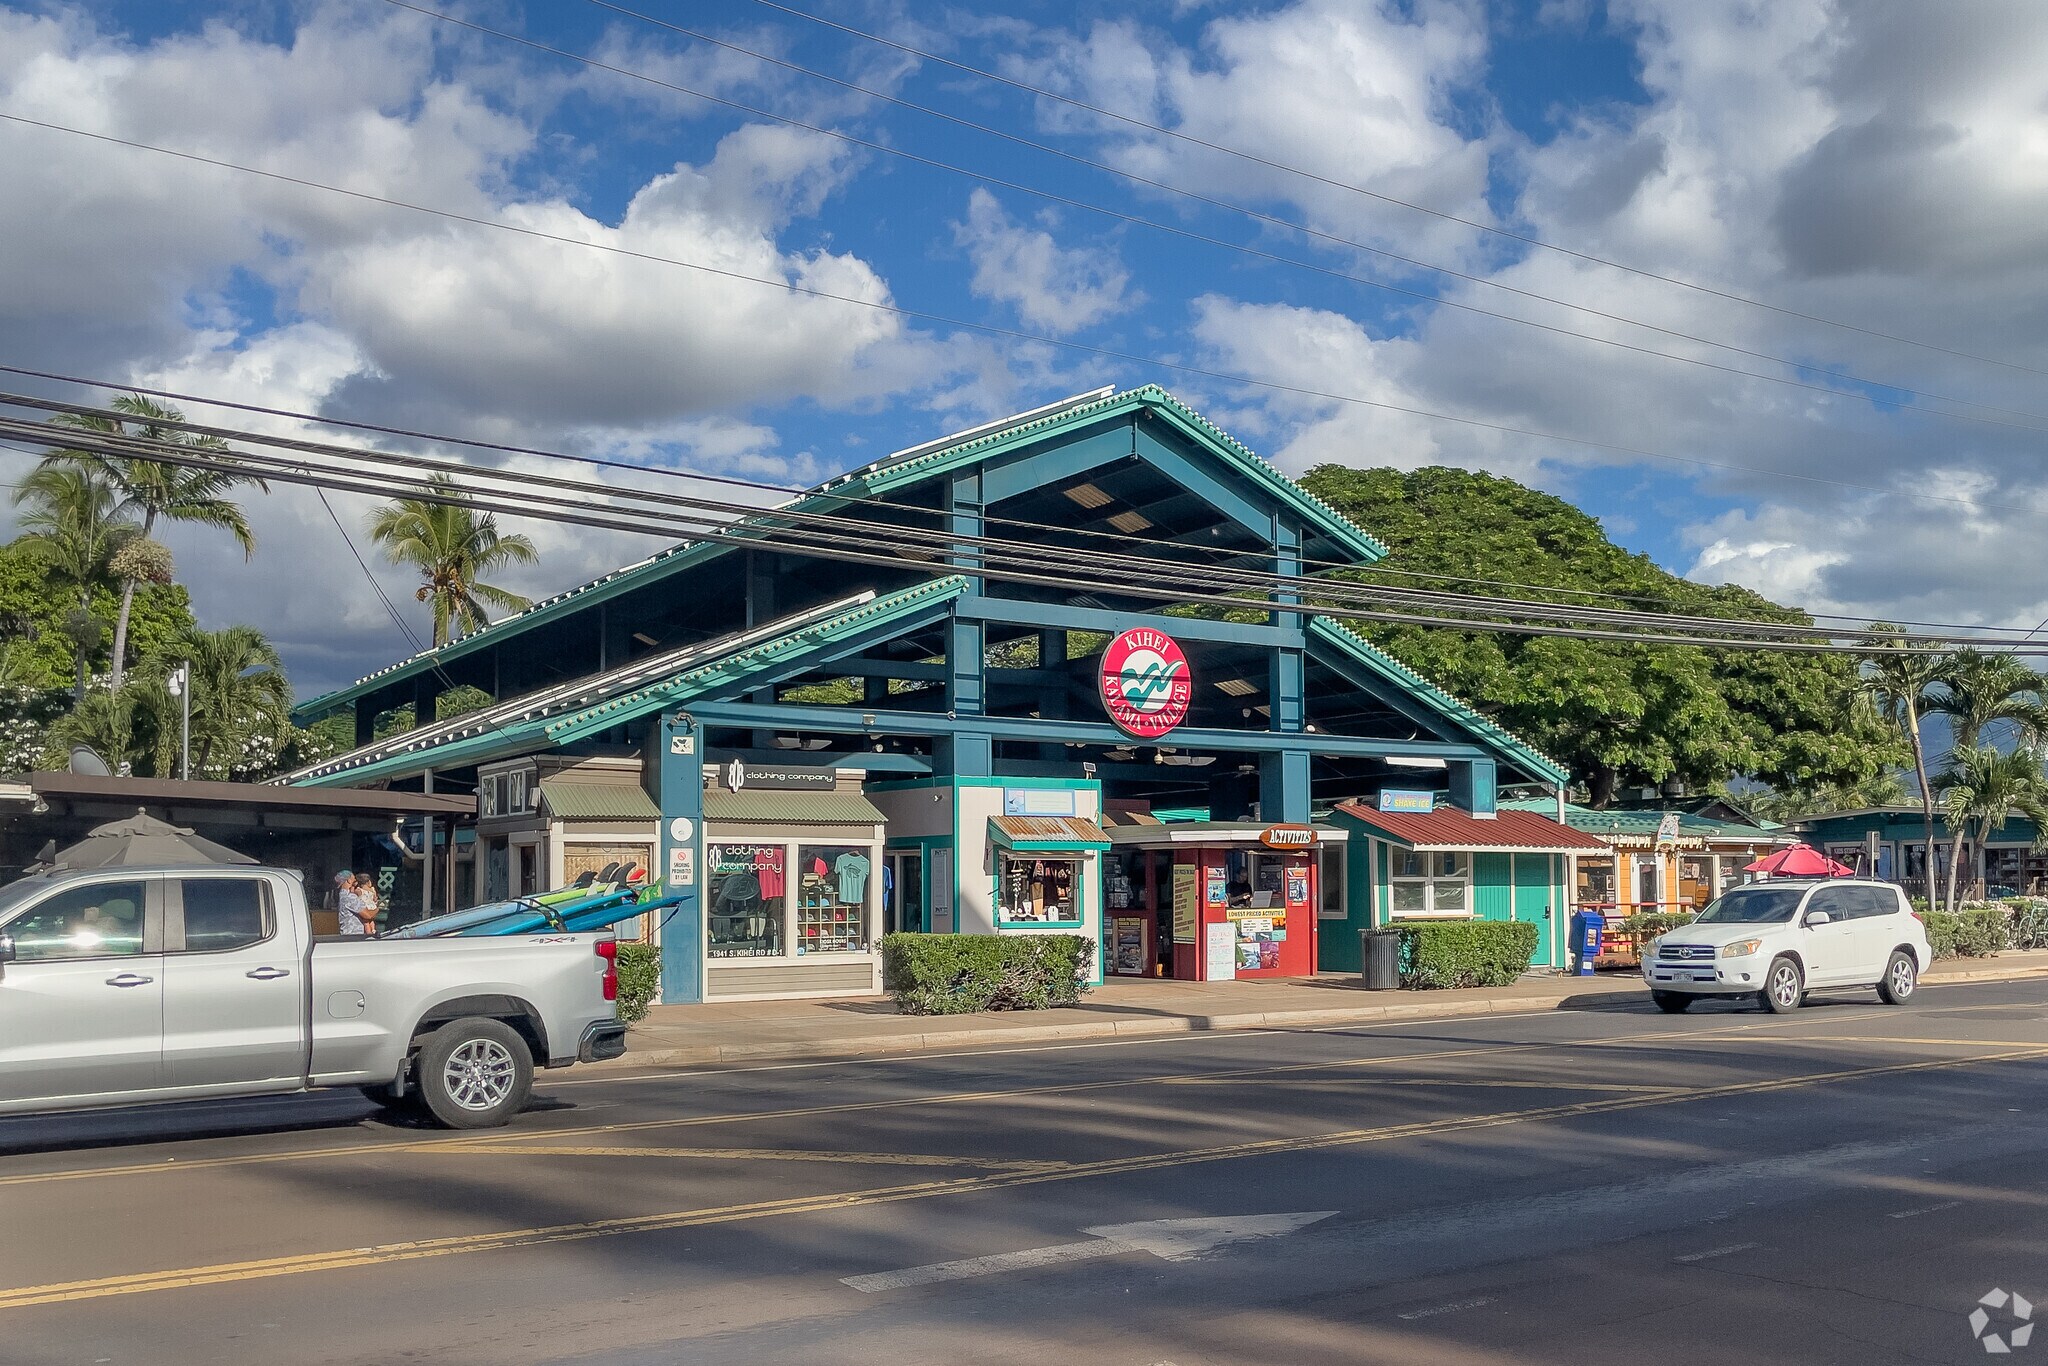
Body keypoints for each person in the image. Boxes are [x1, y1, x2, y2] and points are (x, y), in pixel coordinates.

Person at [336, 871, 368, 936]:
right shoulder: (349, 897)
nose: (356, 880)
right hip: (353, 935)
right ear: (349, 880)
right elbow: (367, 915)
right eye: (354, 879)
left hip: (348, 933)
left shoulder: (342, 895)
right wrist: (378, 907)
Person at [352, 873, 382, 937]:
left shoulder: (359, 890)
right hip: (372, 906)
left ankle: (369, 933)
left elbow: (354, 897)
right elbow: (375, 898)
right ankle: (373, 930)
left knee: (366, 922)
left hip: (366, 907)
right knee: (371, 920)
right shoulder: (372, 889)